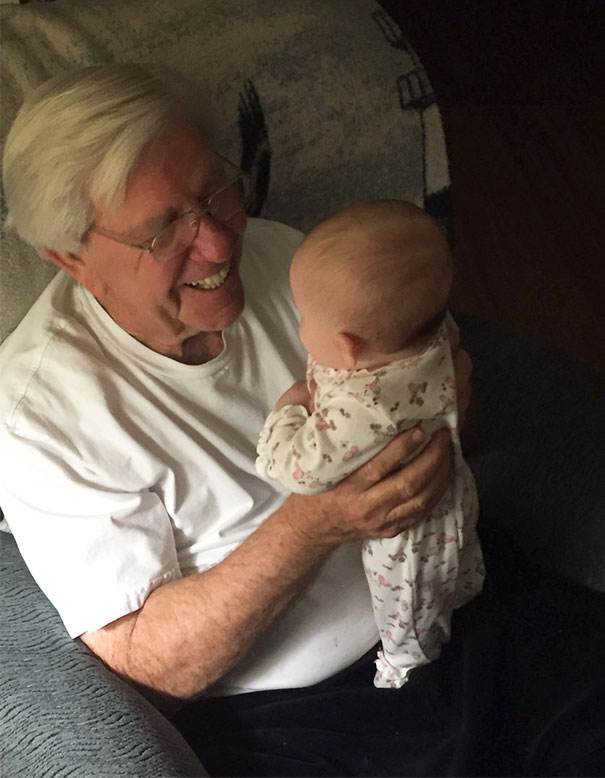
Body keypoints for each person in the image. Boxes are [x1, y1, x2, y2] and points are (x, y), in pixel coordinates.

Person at [1, 65, 603, 777]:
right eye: (166, 229)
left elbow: (409, 408)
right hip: (300, 713)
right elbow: (145, 668)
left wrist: (444, 413)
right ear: (70, 257)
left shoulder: (287, 255)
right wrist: (316, 522)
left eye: (214, 191)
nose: (221, 245)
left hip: (457, 600)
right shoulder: (39, 416)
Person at [256, 200, 485, 688]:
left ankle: (406, 661)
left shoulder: (361, 411)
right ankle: (465, 586)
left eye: (302, 318)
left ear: (348, 346)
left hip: (405, 535)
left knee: (409, 599)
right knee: (454, 561)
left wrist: (286, 412)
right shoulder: (434, 334)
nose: (298, 329)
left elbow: (296, 469)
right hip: (454, 491)